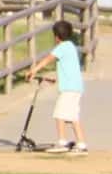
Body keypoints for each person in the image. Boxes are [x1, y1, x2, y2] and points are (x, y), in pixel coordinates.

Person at [24, 20, 88, 154]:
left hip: (68, 89)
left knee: (59, 113)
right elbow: (68, 69)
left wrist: (33, 70)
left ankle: (62, 142)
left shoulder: (62, 47)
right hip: (75, 87)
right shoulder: (71, 46)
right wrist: (54, 79)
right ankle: (81, 143)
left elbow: (48, 59)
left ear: (56, 36)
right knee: (72, 116)